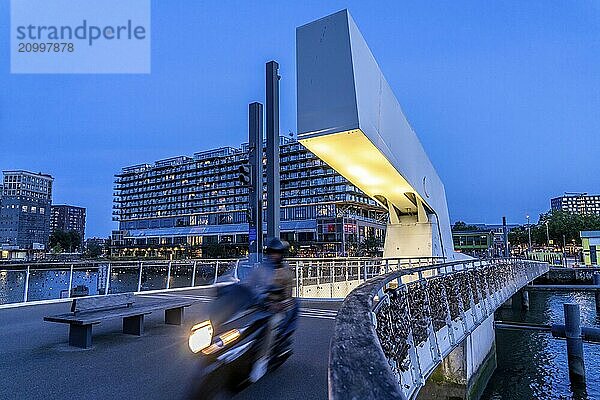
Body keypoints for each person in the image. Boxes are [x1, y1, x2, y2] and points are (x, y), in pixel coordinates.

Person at [249, 237, 294, 382]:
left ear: (281, 254)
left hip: (277, 308)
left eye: (276, 253)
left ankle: (262, 359)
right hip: (260, 304)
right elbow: (249, 283)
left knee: (271, 324)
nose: (273, 256)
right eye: (271, 252)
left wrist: (279, 303)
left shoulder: (286, 272)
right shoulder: (261, 268)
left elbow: (288, 295)